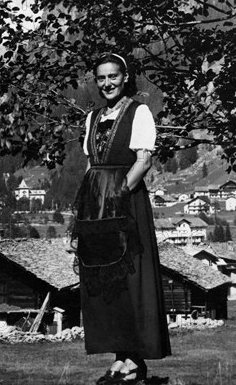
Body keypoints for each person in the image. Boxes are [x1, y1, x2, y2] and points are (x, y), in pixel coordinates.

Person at [71, 53, 171, 384]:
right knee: (104, 280)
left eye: (113, 76)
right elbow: (90, 167)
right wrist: (86, 210)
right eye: (101, 78)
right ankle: (119, 355)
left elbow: (143, 161)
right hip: (96, 205)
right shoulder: (93, 117)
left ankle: (135, 358)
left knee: (131, 279)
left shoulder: (139, 112)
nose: (107, 83)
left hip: (125, 203)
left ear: (125, 77)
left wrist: (118, 194)